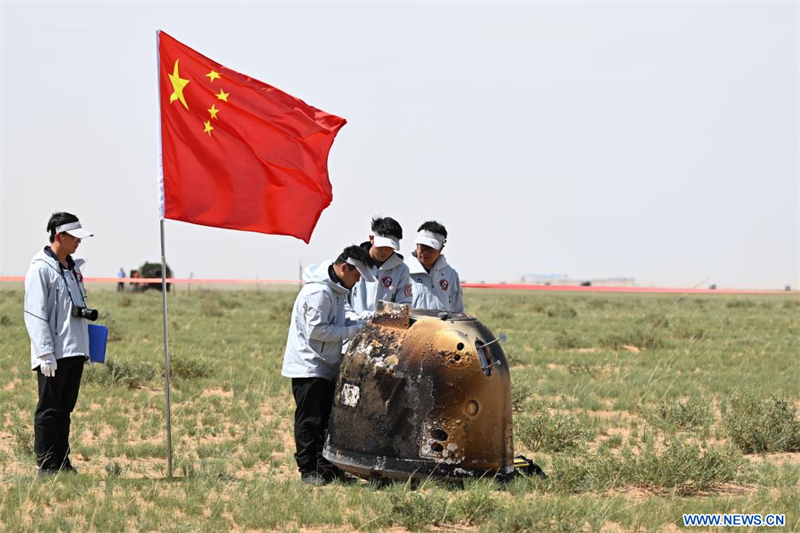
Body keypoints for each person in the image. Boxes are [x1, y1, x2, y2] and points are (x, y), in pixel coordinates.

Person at [281, 245, 374, 485]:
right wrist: (351, 331)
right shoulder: (319, 293)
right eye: (356, 276)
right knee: (310, 420)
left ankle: (328, 470)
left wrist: (364, 320)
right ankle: (308, 470)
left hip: (325, 365)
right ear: (344, 268)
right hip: (309, 366)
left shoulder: (336, 290)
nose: (356, 283)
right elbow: (318, 331)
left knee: (326, 420)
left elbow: (340, 320)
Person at [24, 212, 95, 476]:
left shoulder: (74, 268)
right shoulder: (40, 267)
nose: (79, 242)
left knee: (65, 409)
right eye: (74, 237)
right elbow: (34, 312)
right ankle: (45, 464)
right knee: (49, 409)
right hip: (53, 352)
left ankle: (62, 462)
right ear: (59, 236)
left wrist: (87, 346)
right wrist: (44, 352)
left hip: (75, 349)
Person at [346, 216, 411, 323]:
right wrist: (352, 318)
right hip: (350, 328)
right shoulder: (352, 261)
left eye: (390, 247)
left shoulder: (401, 269)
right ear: (372, 238)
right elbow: (340, 300)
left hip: (384, 331)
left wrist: (377, 315)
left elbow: (404, 307)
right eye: (381, 246)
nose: (385, 251)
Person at [405, 220, 464, 313]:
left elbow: (458, 310)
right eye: (422, 246)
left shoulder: (450, 275)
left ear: (441, 248)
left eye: (431, 248)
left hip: (443, 327)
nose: (425, 252)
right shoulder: (403, 272)